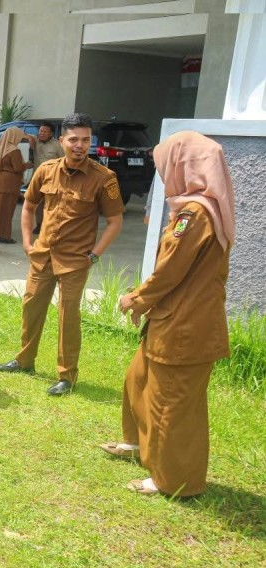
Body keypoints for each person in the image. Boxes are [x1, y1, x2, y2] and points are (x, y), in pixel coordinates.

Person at [103, 131, 235, 497]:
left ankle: (173, 480)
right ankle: (138, 444)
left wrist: (138, 298)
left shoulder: (195, 213)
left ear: (184, 164)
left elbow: (172, 269)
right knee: (138, 379)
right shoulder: (195, 208)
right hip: (173, 320)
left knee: (171, 403)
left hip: (184, 326)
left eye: (165, 165)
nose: (162, 173)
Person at [0, 113, 124, 396]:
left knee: (68, 316)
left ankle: (66, 375)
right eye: (74, 139)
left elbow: (115, 221)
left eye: (86, 140)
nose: (80, 145)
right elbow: (28, 206)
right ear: (62, 140)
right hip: (43, 255)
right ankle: (24, 360)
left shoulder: (104, 178)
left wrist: (95, 255)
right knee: (32, 307)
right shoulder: (46, 170)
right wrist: (28, 243)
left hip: (76, 260)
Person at [0, 127, 32, 244]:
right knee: (7, 210)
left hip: (1, 179)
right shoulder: (14, 151)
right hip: (10, 182)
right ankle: (4, 236)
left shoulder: (2, 147)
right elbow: (18, 167)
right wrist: (27, 165)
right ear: (15, 137)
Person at [31, 123, 63, 234]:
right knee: (38, 204)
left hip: (52, 179)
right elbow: (21, 136)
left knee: (51, 203)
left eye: (45, 131)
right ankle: (39, 225)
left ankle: (50, 226)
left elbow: (64, 161)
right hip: (37, 178)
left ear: (51, 134)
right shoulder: (34, 141)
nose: (42, 133)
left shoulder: (57, 145)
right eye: (40, 131)